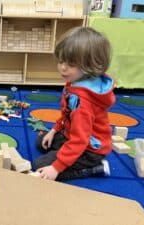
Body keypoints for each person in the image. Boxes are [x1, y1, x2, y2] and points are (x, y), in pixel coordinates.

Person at [33, 27, 115, 181]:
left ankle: (95, 168)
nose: (62, 67)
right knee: (41, 141)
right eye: (61, 61)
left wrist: (56, 167)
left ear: (90, 65)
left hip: (90, 150)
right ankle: (65, 153)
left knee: (40, 166)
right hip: (73, 133)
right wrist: (54, 130)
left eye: (71, 64)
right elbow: (67, 114)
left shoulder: (83, 104)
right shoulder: (76, 82)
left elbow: (80, 140)